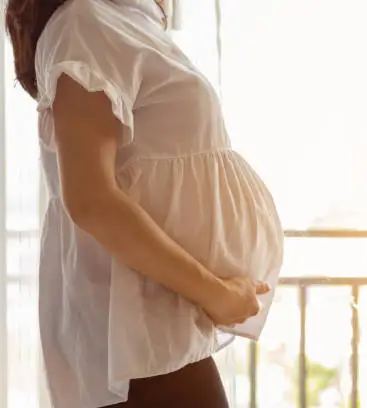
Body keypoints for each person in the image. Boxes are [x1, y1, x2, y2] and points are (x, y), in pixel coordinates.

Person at [5, 0, 285, 407]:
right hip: (133, 336)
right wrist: (217, 294)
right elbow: (90, 199)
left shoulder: (126, 21)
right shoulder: (85, 22)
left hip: (156, 323)